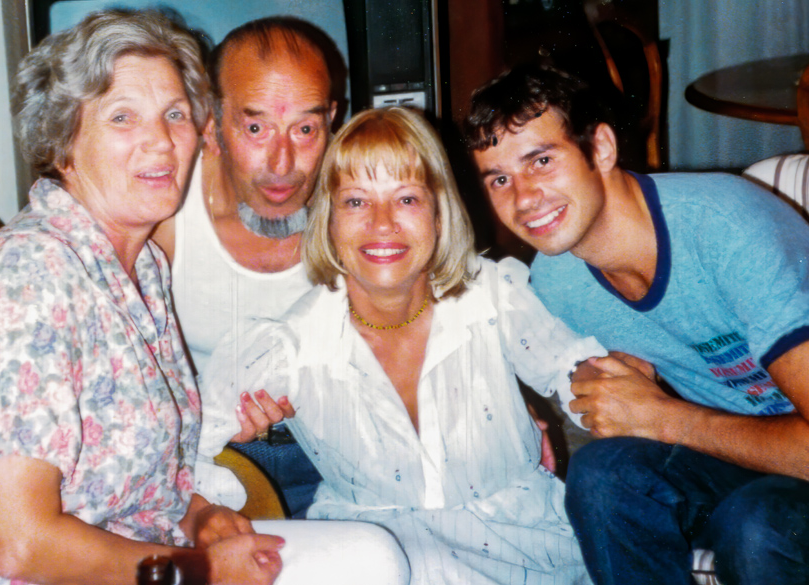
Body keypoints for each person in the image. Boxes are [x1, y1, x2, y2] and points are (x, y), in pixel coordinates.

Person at [0, 10, 285, 585]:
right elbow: (21, 544)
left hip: (139, 560)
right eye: (122, 117)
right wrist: (200, 569)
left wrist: (200, 516)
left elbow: (136, 481)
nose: (160, 140)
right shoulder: (27, 275)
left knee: (374, 559)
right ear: (63, 144)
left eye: (175, 114)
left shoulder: (143, 265)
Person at [464, 62, 809, 585]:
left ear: (601, 149)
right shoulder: (556, 281)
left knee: (757, 525)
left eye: (541, 161)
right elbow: (510, 343)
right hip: (752, 460)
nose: (523, 198)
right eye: (499, 179)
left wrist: (662, 418)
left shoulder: (725, 228)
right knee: (603, 476)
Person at [199, 106, 604, 584]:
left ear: (439, 213)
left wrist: (601, 387)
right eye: (356, 202)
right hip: (374, 555)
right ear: (328, 219)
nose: (382, 223)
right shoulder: (291, 344)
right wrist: (205, 505)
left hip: (524, 545)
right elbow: (179, 443)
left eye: (407, 199)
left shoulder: (493, 296)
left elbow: (571, 369)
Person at [151, 16, 337, 518]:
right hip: (211, 461)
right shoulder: (166, 213)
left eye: (305, 129)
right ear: (212, 127)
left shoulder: (363, 196)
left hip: (342, 445)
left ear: (331, 121)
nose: (282, 164)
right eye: (256, 128)